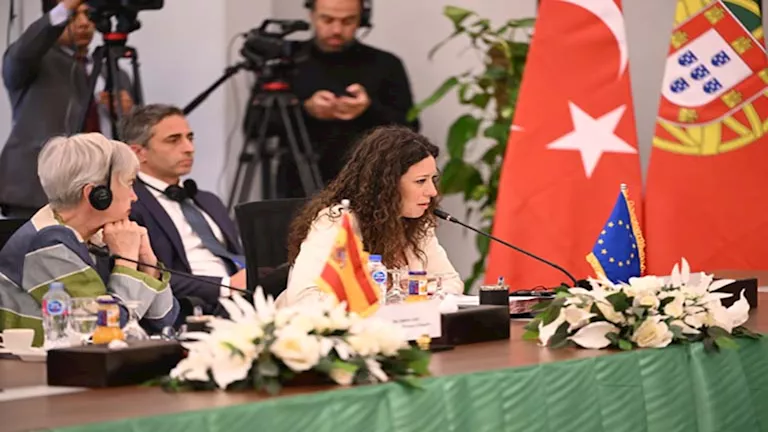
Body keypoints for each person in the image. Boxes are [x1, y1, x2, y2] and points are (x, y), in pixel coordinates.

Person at [0, 133, 179, 345]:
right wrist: (127, 262)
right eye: (129, 184)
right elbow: (104, 331)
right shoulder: (48, 244)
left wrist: (148, 264)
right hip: (33, 364)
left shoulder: (98, 239)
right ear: (97, 194)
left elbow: (165, 322)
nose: (134, 196)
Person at [279, 125, 463, 307]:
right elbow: (304, 297)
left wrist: (414, 293)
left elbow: (451, 282)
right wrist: (371, 298)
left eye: (433, 179)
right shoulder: (336, 222)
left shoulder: (417, 223)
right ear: (387, 185)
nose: (432, 191)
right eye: (421, 181)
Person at [0, 0, 133, 218]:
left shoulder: (112, 72)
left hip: (99, 192)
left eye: (88, 15)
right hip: (37, 191)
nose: (83, 23)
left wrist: (126, 113)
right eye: (73, 16)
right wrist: (63, 9)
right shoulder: (34, 62)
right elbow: (22, 52)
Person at [271, 0, 418, 197]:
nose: (337, 30)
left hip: (367, 186)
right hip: (297, 186)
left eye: (348, 21)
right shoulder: (285, 62)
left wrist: (368, 109)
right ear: (312, 16)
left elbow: (410, 128)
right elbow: (254, 126)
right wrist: (306, 109)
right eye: (327, 19)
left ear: (362, 20)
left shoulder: (385, 64)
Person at [121, 104, 248, 314]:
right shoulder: (129, 204)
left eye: (190, 138)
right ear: (138, 152)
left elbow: (237, 255)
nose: (189, 148)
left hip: (246, 296)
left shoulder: (209, 200)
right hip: (195, 306)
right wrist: (227, 286)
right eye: (173, 140)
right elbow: (147, 275)